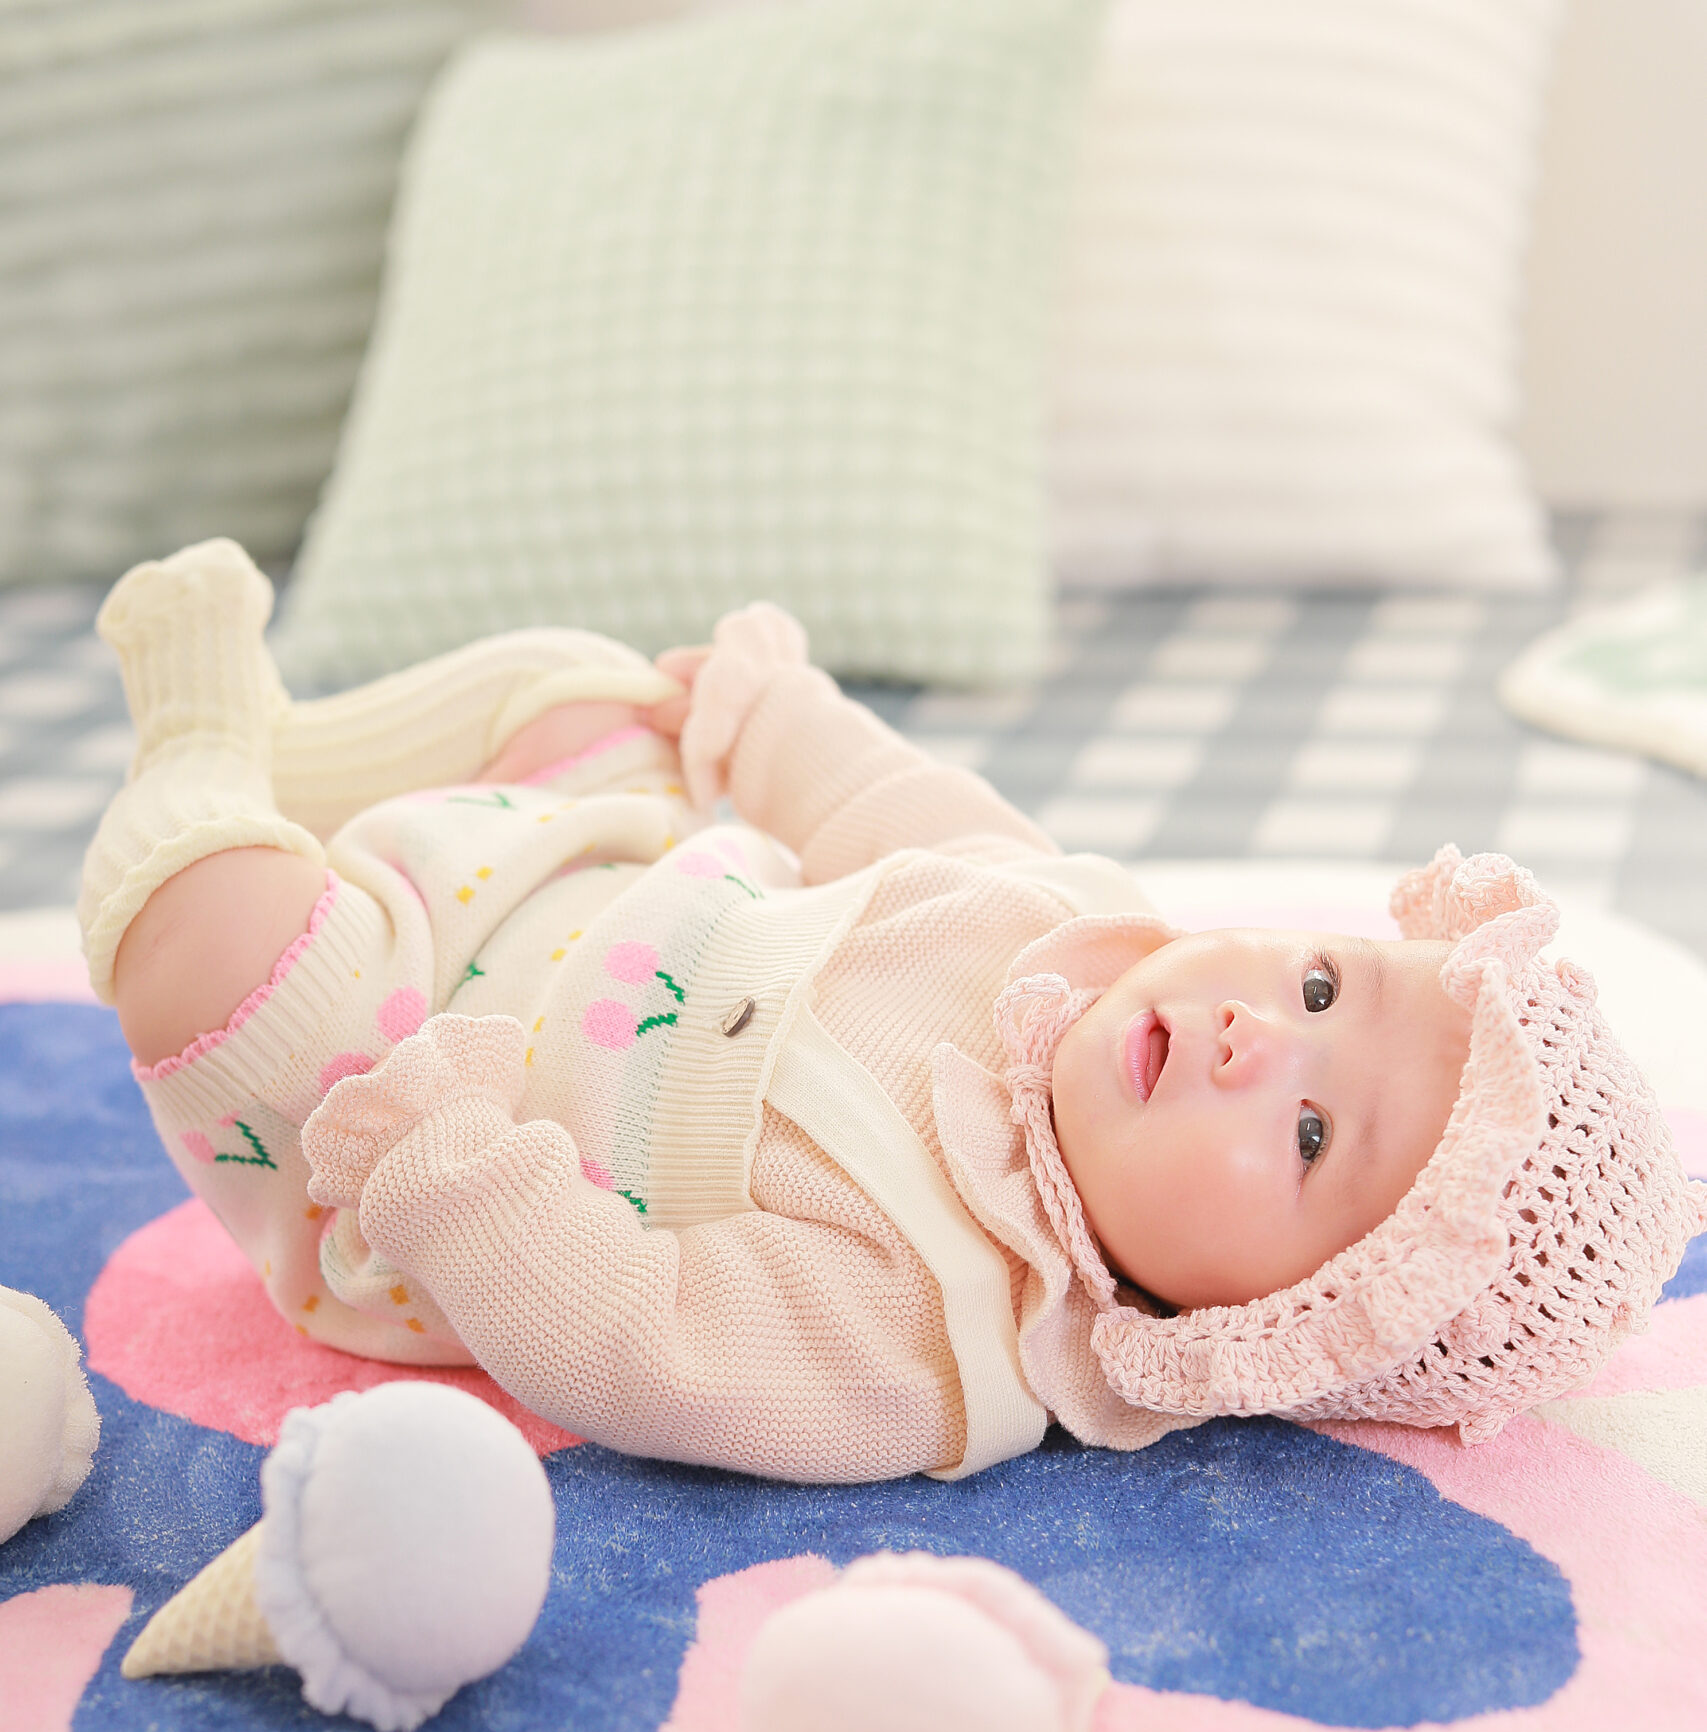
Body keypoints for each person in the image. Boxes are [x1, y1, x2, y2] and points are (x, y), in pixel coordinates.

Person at [80, 541, 1705, 1484]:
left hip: (408, 1090)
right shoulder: (1060, 938)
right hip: (574, 879)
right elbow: (890, 808)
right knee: (598, 696)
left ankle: (201, 752)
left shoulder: (932, 1331)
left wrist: (442, 1161)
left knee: (213, 942)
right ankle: (300, 760)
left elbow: (637, 1341)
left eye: (1310, 1133)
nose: (1256, 1036)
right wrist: (775, 722)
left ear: (1260, 1333)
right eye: (1324, 987)